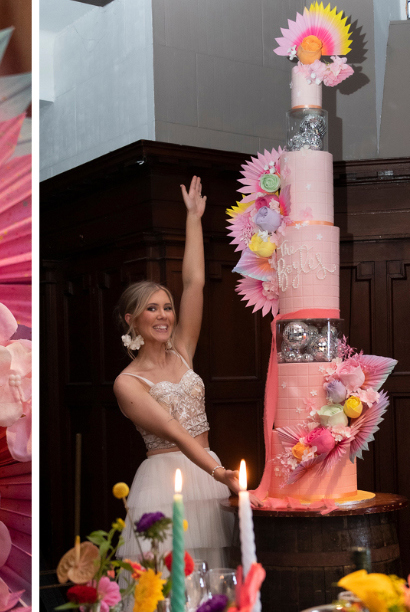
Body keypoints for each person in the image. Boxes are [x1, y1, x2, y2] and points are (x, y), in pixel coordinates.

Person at [113, 176, 256, 571]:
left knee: (212, 574)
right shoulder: (127, 383)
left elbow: (194, 282)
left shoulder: (183, 349)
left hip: (208, 470)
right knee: (171, 578)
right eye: (152, 309)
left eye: (167, 307)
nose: (164, 316)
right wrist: (219, 471)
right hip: (166, 480)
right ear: (132, 320)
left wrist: (193, 218)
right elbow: (175, 431)